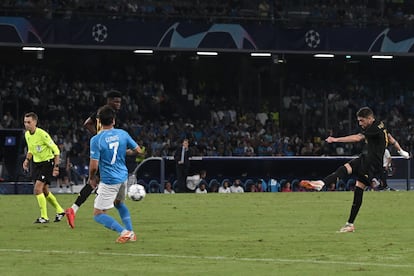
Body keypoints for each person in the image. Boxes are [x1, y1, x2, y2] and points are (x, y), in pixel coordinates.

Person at [300, 107, 409, 233]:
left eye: (362, 121)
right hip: (367, 159)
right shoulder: (380, 124)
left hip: (372, 164)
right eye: (359, 121)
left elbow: (357, 138)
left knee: (356, 185)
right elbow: (390, 137)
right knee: (348, 173)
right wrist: (401, 151)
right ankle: (323, 185)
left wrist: (335, 139)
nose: (360, 124)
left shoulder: (373, 128)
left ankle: (324, 186)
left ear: (369, 119)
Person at [65, 90, 122, 228]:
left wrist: (98, 135)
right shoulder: (108, 113)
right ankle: (101, 211)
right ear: (108, 100)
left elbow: (87, 123)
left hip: (101, 148)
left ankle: (73, 209)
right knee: (107, 180)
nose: (118, 104)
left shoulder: (100, 112)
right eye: (115, 101)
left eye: (119, 102)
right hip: (105, 151)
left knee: (95, 181)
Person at [88, 105, 142, 243]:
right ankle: (131, 232)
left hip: (109, 180)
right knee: (118, 203)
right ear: (113, 120)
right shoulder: (122, 134)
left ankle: (125, 232)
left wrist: (91, 178)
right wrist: (124, 152)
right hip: (123, 177)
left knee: (98, 214)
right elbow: (138, 150)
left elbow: (94, 166)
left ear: (99, 121)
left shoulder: (96, 139)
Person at [22, 112, 65, 224]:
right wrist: (27, 160)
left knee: (37, 189)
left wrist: (56, 167)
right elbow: (31, 149)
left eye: (29, 122)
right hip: (37, 164)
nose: (26, 124)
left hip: (47, 163)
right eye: (25, 122)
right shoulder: (27, 135)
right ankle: (60, 211)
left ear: (35, 122)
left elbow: (56, 150)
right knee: (45, 190)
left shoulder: (42, 134)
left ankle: (44, 217)